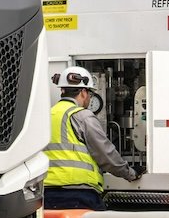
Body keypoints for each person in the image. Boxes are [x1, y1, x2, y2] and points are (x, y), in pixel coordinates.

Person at [43, 66, 140, 210]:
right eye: (90, 94)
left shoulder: (46, 116)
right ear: (83, 92)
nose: (89, 98)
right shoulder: (82, 116)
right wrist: (130, 173)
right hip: (78, 193)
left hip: (46, 193)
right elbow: (105, 153)